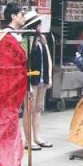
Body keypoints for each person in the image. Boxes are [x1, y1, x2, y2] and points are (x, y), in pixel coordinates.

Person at [21, 10, 53, 150]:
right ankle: (28, 140)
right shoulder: (26, 40)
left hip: (41, 77)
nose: (40, 27)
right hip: (31, 79)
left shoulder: (41, 40)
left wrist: (49, 76)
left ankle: (37, 137)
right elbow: (24, 63)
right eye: (38, 24)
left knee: (38, 108)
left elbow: (48, 59)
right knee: (29, 108)